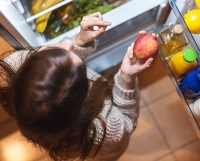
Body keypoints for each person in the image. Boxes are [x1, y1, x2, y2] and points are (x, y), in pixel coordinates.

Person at [0, 12, 154, 161]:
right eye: (80, 66)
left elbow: (61, 71)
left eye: (49, 51)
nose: (68, 42)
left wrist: (80, 40)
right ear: (83, 92)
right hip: (107, 151)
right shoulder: (103, 127)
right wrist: (127, 76)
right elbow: (127, 122)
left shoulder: (13, 65)